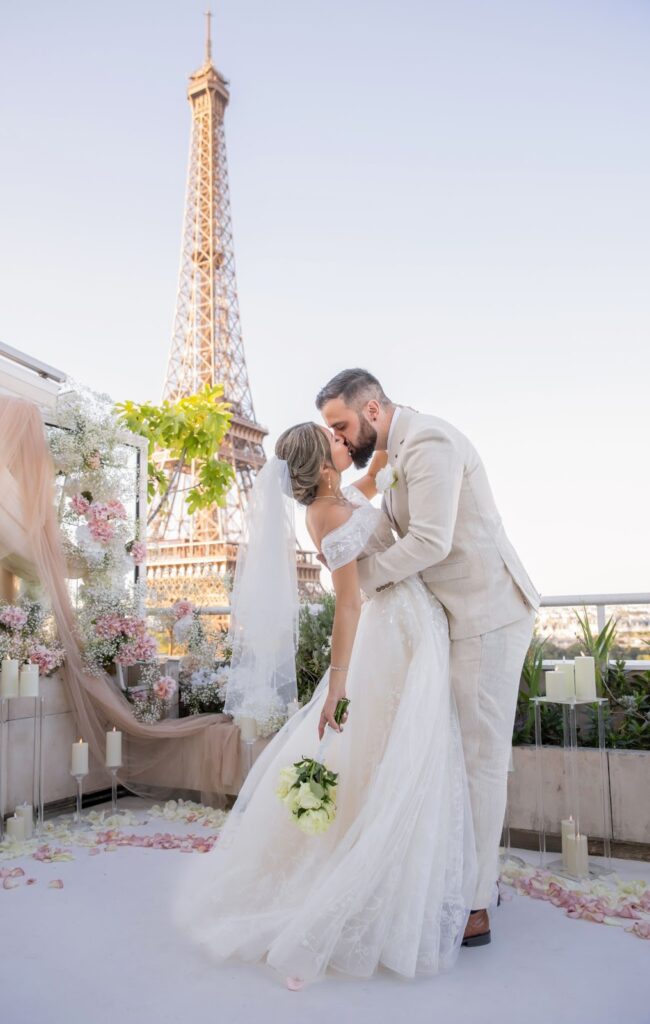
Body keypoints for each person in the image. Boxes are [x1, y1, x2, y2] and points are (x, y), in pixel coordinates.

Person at [174, 422, 478, 988]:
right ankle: (367, 886)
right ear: (324, 459)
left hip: (406, 621)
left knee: (395, 752)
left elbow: (371, 479)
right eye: (335, 437)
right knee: (397, 752)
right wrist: (338, 683)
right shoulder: (329, 515)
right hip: (391, 629)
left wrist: (392, 439)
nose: (345, 439)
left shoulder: (337, 500)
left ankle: (403, 878)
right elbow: (347, 606)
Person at [316, 368, 540, 946]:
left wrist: (360, 581)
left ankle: (474, 902)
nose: (338, 437)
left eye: (339, 424)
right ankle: (461, 878)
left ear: (370, 411)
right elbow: (387, 522)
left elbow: (432, 541)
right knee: (451, 752)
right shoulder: (396, 451)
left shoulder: (432, 441)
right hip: (446, 618)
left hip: (488, 613)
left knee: (479, 757)